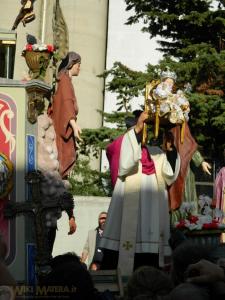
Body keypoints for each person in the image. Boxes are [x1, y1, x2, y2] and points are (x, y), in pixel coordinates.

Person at [100, 111, 181, 274]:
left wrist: (171, 151)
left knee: (150, 262)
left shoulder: (156, 151)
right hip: (129, 210)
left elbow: (170, 176)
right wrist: (136, 129)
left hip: (153, 213)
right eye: (140, 128)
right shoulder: (123, 144)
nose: (143, 131)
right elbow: (124, 163)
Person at [168, 122, 212, 224]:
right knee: (183, 197)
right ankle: (184, 223)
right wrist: (201, 161)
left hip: (181, 169)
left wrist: (201, 161)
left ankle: (182, 223)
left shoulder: (177, 128)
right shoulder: (179, 127)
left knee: (182, 197)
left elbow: (188, 147)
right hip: (179, 171)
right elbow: (189, 147)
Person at [49, 51, 82, 179]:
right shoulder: (65, 81)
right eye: (78, 64)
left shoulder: (65, 80)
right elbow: (67, 103)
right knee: (64, 155)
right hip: (64, 125)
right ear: (71, 65)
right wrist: (74, 126)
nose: (79, 67)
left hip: (65, 124)